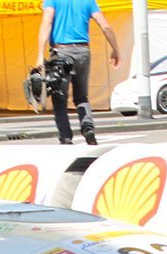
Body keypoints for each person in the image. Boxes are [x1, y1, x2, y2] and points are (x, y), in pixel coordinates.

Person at [34, 0, 120, 145]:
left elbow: (47, 23)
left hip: (60, 53)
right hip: (83, 52)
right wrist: (115, 49)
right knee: (81, 97)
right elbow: (104, 25)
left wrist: (39, 54)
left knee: (59, 98)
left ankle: (66, 138)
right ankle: (88, 128)